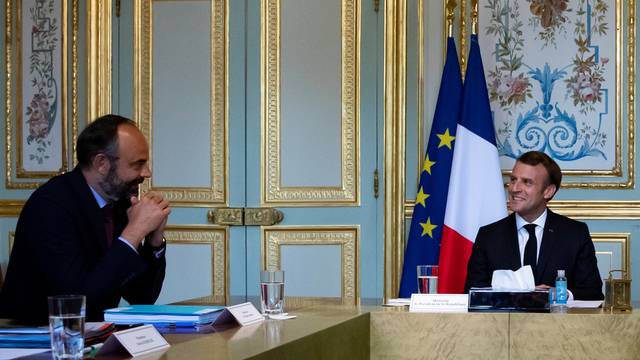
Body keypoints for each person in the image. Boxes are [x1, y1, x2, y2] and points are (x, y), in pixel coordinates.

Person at [0, 114, 170, 322]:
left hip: (91, 339)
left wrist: (154, 242)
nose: (147, 172)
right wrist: (134, 232)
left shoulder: (119, 204)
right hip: (34, 340)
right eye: (138, 164)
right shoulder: (51, 205)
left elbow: (141, 297)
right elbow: (78, 302)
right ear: (101, 163)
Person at [465, 151, 604, 300]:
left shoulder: (574, 234)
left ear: (548, 191)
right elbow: (472, 294)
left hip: (558, 322)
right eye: (513, 179)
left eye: (527, 182)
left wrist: (562, 295)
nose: (514, 188)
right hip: (503, 322)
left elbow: (593, 293)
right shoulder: (489, 236)